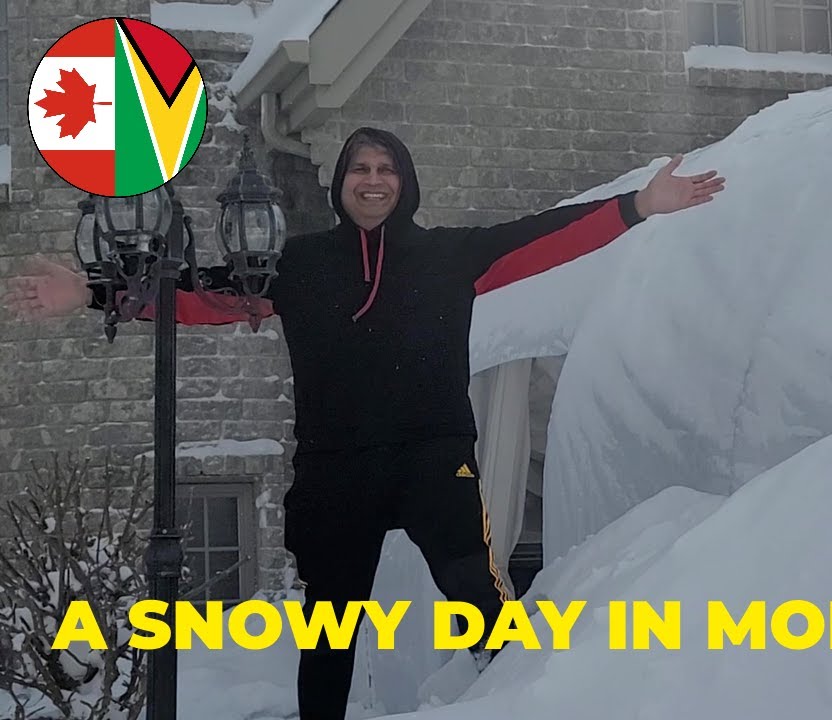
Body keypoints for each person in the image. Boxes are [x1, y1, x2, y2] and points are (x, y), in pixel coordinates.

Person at [5, 126, 724, 719]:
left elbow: (542, 238)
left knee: (477, 593)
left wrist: (639, 205)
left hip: (433, 456)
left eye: (386, 168)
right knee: (330, 628)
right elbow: (200, 296)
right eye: (359, 168)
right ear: (340, 183)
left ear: (405, 182)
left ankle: (528, 705)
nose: (373, 180)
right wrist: (94, 293)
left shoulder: (449, 256)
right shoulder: (294, 264)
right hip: (334, 466)